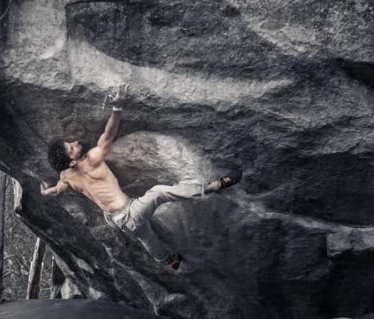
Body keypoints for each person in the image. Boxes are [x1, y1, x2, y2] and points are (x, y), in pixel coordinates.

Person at [41, 84, 241, 270]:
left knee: (147, 237)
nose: (75, 142)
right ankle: (212, 187)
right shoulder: (92, 160)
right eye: (72, 148)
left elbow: (60, 186)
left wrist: (48, 191)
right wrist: (117, 108)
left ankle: (168, 260)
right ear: (73, 161)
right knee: (158, 193)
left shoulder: (66, 174)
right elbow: (108, 136)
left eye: (71, 143)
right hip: (128, 213)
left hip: (115, 220)